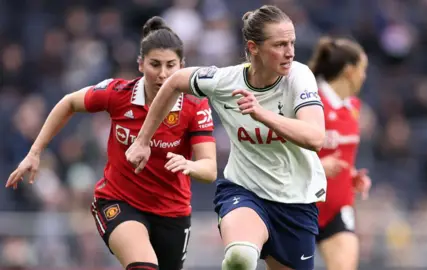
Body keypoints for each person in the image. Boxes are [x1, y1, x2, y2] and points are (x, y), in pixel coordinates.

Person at [5, 16, 217, 270]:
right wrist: (35, 152)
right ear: (140, 64)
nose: (163, 74)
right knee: (144, 266)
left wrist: (189, 165)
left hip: (173, 211)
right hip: (118, 201)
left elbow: (209, 170)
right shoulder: (119, 94)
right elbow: (69, 103)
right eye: (155, 64)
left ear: (182, 66)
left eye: (171, 65)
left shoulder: (195, 105)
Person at [126, 5, 327, 270]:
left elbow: (315, 138)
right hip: (245, 192)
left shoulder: (299, 77)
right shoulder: (224, 81)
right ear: (253, 47)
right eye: (279, 44)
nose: (289, 52)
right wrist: (142, 140)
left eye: (291, 43)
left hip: (296, 202)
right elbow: (174, 81)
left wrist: (261, 114)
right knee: (240, 257)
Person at [308, 37, 372, 270]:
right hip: (301, 205)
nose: (364, 76)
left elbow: (341, 155)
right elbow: (282, 152)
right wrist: (317, 166)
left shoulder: (353, 107)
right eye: (362, 70)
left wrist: (351, 175)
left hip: (337, 208)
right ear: (349, 71)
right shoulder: (309, 102)